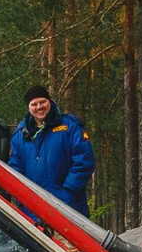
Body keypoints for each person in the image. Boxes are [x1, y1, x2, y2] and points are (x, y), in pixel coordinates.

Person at [8, 83, 96, 214]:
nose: (39, 107)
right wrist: (22, 199)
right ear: (28, 107)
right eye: (34, 104)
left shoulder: (70, 126)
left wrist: (67, 192)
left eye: (42, 102)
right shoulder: (20, 134)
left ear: (49, 101)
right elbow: (15, 170)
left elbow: (84, 161)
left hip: (69, 208)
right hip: (33, 211)